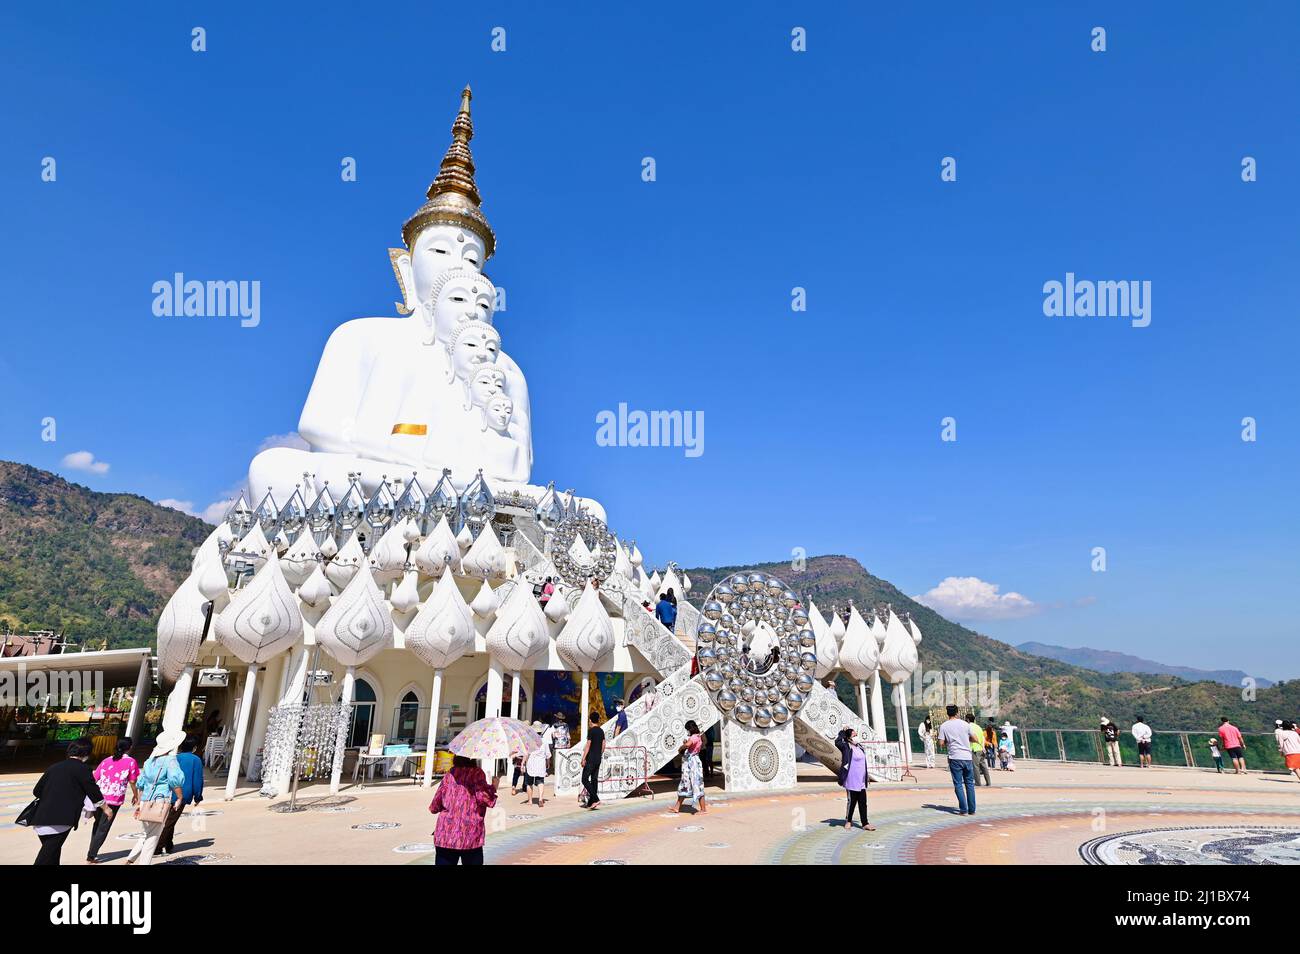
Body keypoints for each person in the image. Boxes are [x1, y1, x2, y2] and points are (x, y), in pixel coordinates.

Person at [28, 737, 104, 865]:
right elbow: (92, 789)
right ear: (86, 753)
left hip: (40, 818)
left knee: (53, 852)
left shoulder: (54, 767)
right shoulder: (83, 769)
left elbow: (37, 791)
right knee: (46, 856)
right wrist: (106, 808)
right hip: (61, 820)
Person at [126, 730, 186, 866]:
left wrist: (140, 803)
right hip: (160, 800)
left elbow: (140, 783)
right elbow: (175, 781)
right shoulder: (170, 760)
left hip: (145, 800)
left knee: (145, 834)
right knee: (153, 837)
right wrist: (180, 798)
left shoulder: (149, 761)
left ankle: (130, 860)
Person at [429, 755, 499, 865]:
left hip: (446, 834)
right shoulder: (477, 773)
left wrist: (435, 808)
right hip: (470, 835)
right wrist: (493, 787)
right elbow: (485, 799)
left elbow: (435, 804)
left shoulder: (450, 774)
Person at [87, 737, 139, 863]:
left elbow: (94, 778)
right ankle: (91, 856)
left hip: (99, 797)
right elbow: (132, 781)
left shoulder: (106, 760)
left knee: (98, 824)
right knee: (104, 827)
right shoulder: (131, 761)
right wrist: (136, 794)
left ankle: (91, 851)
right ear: (130, 747)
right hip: (114, 799)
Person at [158, 736, 204, 855]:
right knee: (170, 821)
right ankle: (157, 846)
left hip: (167, 791)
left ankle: (168, 844)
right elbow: (197, 780)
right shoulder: (196, 760)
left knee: (170, 819)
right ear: (194, 748)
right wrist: (198, 796)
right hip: (183, 793)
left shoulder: (174, 758)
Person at [937, 705, 976, 816]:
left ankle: (963, 810)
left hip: (954, 757)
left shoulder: (944, 726)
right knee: (969, 784)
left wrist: (948, 743)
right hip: (967, 757)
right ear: (957, 712)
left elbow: (941, 743)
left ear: (947, 713)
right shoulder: (965, 724)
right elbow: (974, 738)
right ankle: (972, 810)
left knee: (958, 784)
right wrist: (966, 740)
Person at [834, 727, 875, 830]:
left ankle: (865, 823)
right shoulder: (846, 747)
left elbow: (863, 763)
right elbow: (837, 742)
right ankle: (848, 820)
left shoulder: (859, 747)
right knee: (852, 802)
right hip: (851, 779)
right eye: (853, 733)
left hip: (861, 779)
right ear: (849, 736)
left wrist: (866, 776)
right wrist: (842, 732)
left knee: (863, 802)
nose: (855, 735)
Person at [671, 720, 708, 814]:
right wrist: (686, 743)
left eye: (687, 729)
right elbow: (690, 745)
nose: (687, 731)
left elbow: (687, 745)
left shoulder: (694, 736)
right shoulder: (697, 736)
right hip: (692, 763)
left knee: (696, 784)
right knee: (685, 784)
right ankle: (677, 807)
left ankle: (703, 809)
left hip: (692, 765)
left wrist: (681, 747)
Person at [581, 710, 604, 810]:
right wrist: (599, 754)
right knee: (594, 780)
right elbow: (604, 745)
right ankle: (591, 802)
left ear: (590, 720)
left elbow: (588, 745)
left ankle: (595, 798)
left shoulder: (591, 731)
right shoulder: (601, 731)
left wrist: (583, 758)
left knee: (584, 779)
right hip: (598, 758)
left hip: (590, 759)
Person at [524, 721, 548, 807]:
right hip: (541, 764)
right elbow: (547, 755)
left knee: (529, 783)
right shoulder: (545, 741)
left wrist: (523, 763)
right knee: (540, 782)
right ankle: (540, 799)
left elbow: (527, 754)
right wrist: (547, 764)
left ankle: (530, 801)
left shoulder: (529, 741)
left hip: (531, 764)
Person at [967, 712, 990, 786]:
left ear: (967, 719)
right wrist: (983, 747)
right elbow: (983, 738)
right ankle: (988, 782)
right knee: (983, 766)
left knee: (975, 766)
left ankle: (977, 782)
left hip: (974, 749)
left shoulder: (968, 726)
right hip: (981, 748)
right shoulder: (978, 727)